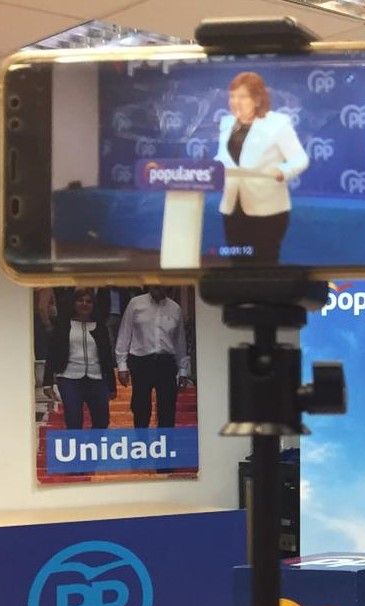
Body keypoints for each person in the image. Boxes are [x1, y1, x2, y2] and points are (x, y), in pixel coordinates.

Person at [214, 71, 309, 264]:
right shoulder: (227, 123)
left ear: (257, 99)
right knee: (237, 264)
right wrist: (213, 168)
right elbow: (225, 159)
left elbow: (300, 158)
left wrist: (283, 171)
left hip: (267, 209)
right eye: (232, 96)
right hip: (232, 207)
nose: (235, 102)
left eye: (242, 97)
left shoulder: (277, 124)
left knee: (264, 264)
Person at [115, 286, 191, 428]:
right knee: (140, 408)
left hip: (166, 363)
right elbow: (125, 333)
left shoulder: (175, 309)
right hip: (141, 362)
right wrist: (122, 365)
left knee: (167, 409)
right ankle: (141, 440)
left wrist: (183, 370)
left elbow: (180, 341)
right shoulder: (135, 304)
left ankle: (166, 441)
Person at [43, 287, 116, 429]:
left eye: (88, 301)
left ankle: (95, 444)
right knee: (74, 419)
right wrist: (47, 382)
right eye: (80, 300)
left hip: (97, 378)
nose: (84, 304)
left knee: (102, 421)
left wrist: (111, 385)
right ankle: (76, 443)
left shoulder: (100, 327)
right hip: (69, 377)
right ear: (74, 303)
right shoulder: (63, 325)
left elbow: (107, 357)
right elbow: (52, 353)